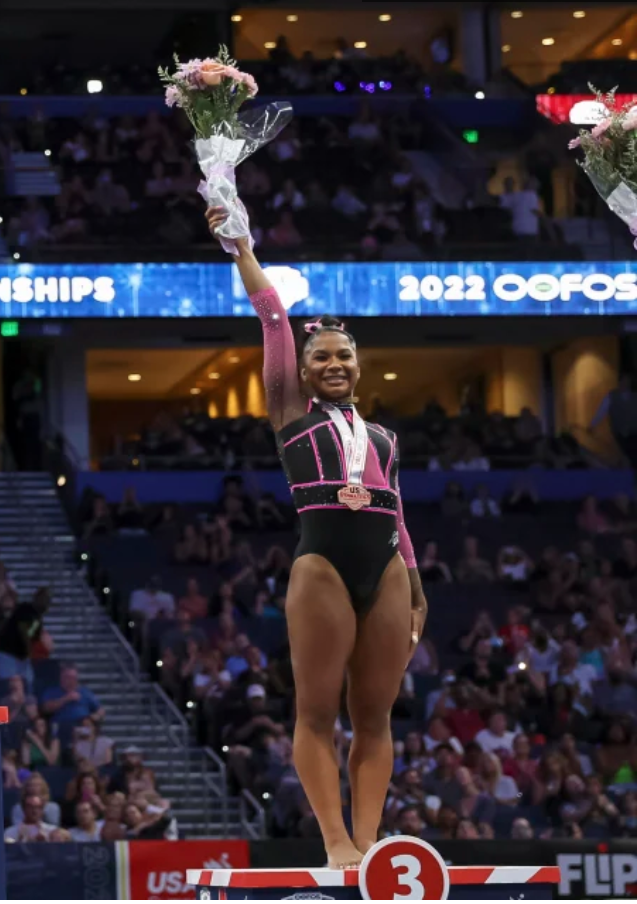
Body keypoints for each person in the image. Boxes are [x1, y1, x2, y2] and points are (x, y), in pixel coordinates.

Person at [210, 206, 424, 869]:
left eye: (343, 356)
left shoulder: (386, 438)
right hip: (323, 565)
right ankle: (333, 840)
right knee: (317, 711)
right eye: (321, 357)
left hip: (386, 568)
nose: (334, 364)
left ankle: (366, 842)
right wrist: (243, 248)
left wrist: (416, 591)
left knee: (376, 715)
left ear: (360, 365)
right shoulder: (288, 416)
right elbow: (273, 318)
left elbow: (400, 517)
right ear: (302, 371)